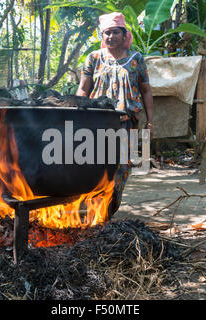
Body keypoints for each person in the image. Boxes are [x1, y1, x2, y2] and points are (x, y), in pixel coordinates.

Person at [76, 12, 154, 217]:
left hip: (125, 123)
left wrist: (150, 122)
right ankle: (91, 211)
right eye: (107, 33)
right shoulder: (93, 58)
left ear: (124, 34)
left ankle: (109, 210)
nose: (111, 37)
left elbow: (146, 91)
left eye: (115, 32)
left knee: (121, 167)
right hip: (95, 122)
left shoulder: (136, 60)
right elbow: (83, 90)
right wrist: (76, 114)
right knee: (94, 164)